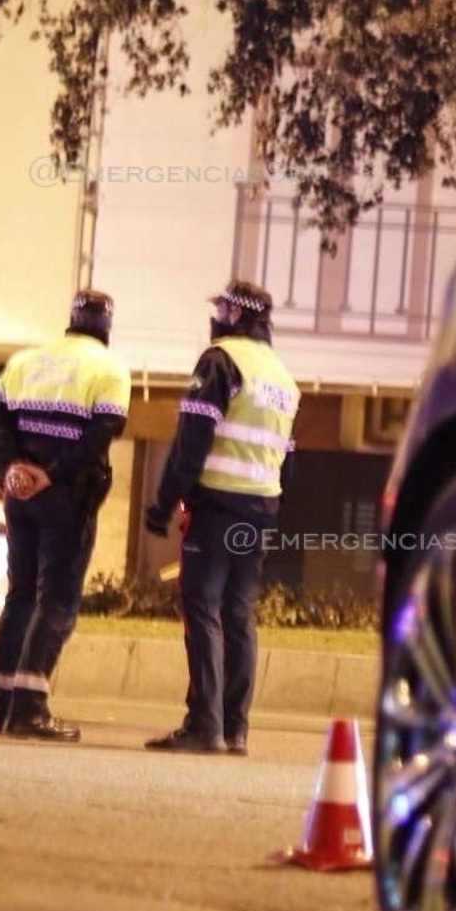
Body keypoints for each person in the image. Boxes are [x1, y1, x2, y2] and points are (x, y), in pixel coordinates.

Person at [142, 281, 299, 755]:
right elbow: (286, 458)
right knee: (239, 613)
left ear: (237, 315)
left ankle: (203, 725)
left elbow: (192, 440)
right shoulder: (281, 378)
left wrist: (164, 503)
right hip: (261, 507)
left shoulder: (219, 362)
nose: (217, 316)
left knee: (202, 608)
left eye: (223, 308)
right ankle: (235, 729)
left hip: (216, 504)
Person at [0, 289, 131, 740]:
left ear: (70, 319)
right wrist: (50, 474)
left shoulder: (25, 361)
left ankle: (4, 708)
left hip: (21, 495)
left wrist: (14, 470)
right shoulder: (110, 369)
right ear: (106, 325)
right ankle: (30, 709)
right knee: (58, 600)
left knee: (21, 595)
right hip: (66, 496)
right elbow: (100, 437)